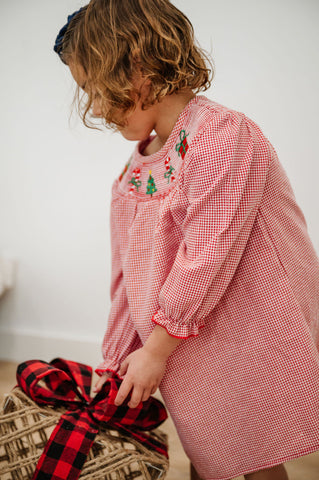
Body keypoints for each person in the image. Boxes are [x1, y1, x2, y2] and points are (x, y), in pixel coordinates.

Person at [54, 1, 319, 479]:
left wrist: (155, 349)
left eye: (95, 89)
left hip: (245, 325)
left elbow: (208, 254)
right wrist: (115, 359)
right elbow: (127, 280)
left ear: (137, 66)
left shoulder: (222, 135)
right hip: (184, 337)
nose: (94, 107)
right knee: (207, 447)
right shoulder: (134, 173)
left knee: (257, 454)